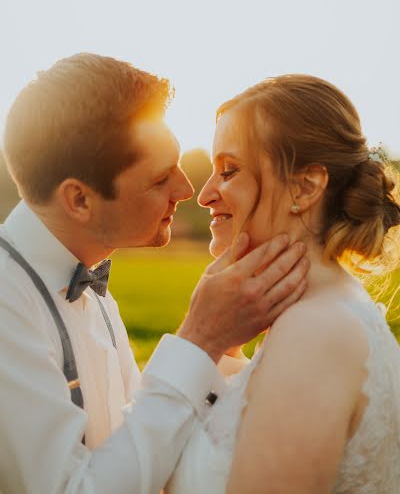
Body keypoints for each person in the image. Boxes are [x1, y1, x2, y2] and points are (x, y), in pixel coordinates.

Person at [0, 54, 309, 494]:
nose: (188, 190)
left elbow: (141, 452)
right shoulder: (6, 300)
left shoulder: (94, 289)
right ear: (80, 200)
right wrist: (200, 339)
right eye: (160, 178)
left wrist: (224, 345)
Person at [166, 74, 400, 493]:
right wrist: (222, 342)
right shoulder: (322, 313)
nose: (204, 195)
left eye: (229, 170)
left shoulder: (315, 332)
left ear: (305, 187)